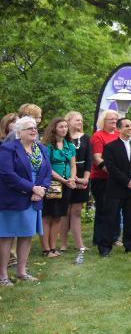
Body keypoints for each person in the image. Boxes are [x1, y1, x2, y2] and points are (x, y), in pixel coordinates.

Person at [0, 117, 51, 285]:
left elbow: (47, 172)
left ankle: (22, 272)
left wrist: (41, 189)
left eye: (35, 128)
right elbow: (7, 174)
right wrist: (31, 188)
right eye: (29, 128)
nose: (34, 130)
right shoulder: (8, 149)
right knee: (7, 236)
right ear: (19, 132)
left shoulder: (41, 149)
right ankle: (3, 276)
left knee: (27, 235)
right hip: (13, 198)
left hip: (34, 198)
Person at [97, 118, 131, 256]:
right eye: (126, 126)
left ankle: (130, 245)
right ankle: (104, 247)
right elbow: (112, 168)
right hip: (116, 188)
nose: (130, 128)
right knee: (110, 218)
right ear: (119, 129)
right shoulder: (110, 147)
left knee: (130, 218)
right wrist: (127, 181)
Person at [40, 118, 76, 257]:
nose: (64, 129)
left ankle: (53, 247)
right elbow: (47, 167)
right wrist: (63, 180)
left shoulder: (69, 145)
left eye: (66, 126)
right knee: (47, 216)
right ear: (54, 128)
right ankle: (46, 248)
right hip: (51, 184)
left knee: (58, 216)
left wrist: (72, 178)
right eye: (61, 126)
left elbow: (73, 165)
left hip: (66, 184)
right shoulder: (47, 146)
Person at [59, 111, 90, 260]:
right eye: (77, 120)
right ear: (69, 121)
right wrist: (72, 177)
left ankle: (79, 244)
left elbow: (89, 160)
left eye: (81, 120)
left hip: (83, 177)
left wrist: (85, 178)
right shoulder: (62, 139)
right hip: (67, 177)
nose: (80, 122)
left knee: (76, 211)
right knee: (65, 211)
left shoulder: (85, 138)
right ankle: (63, 244)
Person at [90, 110, 121, 246]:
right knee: (103, 209)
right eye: (111, 120)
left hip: (117, 179)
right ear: (103, 121)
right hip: (101, 179)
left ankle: (114, 237)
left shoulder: (119, 135)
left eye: (116, 119)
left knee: (116, 209)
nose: (114, 121)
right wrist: (114, 172)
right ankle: (99, 239)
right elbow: (97, 158)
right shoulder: (98, 136)